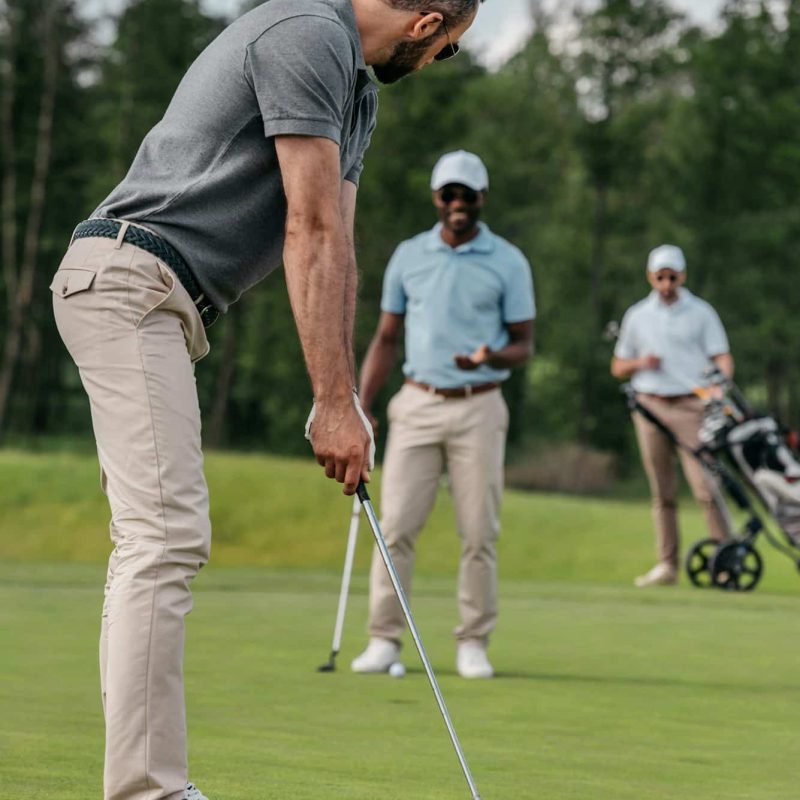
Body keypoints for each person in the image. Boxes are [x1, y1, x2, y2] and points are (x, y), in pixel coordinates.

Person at [48, 2, 481, 799]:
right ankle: (147, 791)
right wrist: (331, 402)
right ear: (426, 22)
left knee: (151, 538)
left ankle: (141, 784)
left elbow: (337, 243)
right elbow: (307, 228)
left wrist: (342, 396)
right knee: (167, 534)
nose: (439, 60)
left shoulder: (358, 91)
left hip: (161, 298)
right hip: (128, 278)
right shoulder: (309, 33)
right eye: (449, 48)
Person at [350, 150, 535, 679]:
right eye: (448, 195)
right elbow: (387, 336)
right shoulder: (410, 255)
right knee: (397, 527)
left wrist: (488, 356)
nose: (457, 204)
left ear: (482, 198)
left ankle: (472, 641)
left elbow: (523, 345)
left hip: (480, 405)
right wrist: (362, 405)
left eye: (467, 195)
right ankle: (384, 639)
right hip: (416, 403)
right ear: (436, 198)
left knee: (479, 531)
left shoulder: (508, 261)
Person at [611, 244, 734, 588]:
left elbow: (721, 356)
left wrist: (719, 387)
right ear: (650, 276)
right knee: (662, 491)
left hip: (690, 407)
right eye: (660, 277)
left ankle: (727, 559)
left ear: (682, 275)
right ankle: (667, 565)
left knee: (705, 487)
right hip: (650, 407)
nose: (666, 284)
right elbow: (618, 365)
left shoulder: (701, 313)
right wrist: (640, 363)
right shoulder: (637, 315)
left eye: (672, 277)